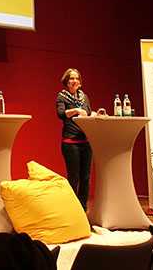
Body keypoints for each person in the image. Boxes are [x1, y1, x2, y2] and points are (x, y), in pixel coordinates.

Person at [56, 67, 95, 210]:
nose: (75, 81)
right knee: (74, 177)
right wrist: (76, 110)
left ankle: (82, 208)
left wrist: (95, 114)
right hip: (70, 143)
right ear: (66, 81)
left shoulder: (84, 97)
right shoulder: (62, 96)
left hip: (86, 142)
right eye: (72, 78)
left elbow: (88, 113)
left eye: (77, 78)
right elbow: (60, 114)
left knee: (86, 178)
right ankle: (72, 209)